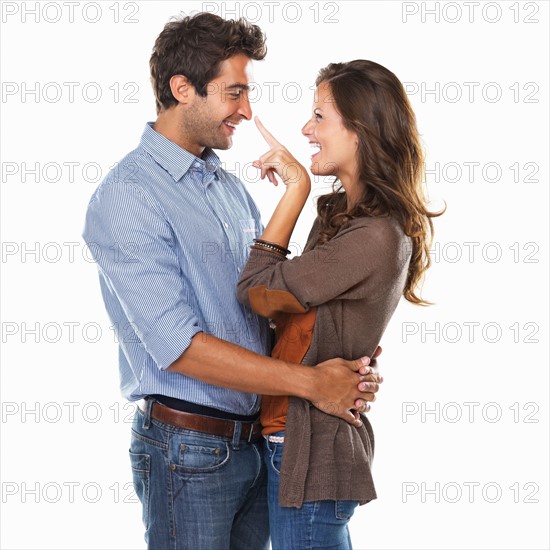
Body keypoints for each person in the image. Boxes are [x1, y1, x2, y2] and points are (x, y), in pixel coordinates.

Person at [82, 14, 382, 550]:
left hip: (255, 445)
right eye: (234, 92)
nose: (247, 110)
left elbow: (261, 311)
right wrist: (313, 384)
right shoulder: (129, 195)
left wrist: (344, 356)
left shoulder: (226, 188)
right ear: (182, 89)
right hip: (188, 448)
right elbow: (179, 348)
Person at [236, 59, 443, 549]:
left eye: (319, 117)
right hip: (293, 441)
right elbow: (287, 316)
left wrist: (296, 190)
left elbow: (256, 291)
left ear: (361, 131)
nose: (307, 130)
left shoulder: (372, 237)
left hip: (310, 447)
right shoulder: (349, 223)